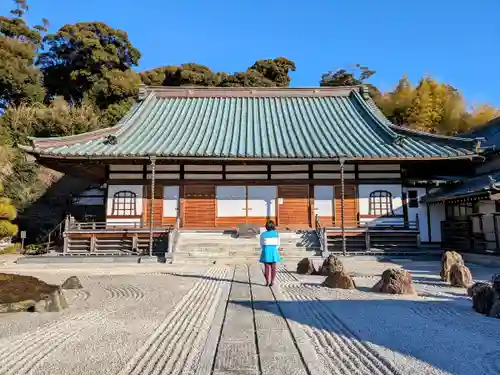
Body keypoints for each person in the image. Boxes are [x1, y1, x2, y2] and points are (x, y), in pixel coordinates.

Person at [259, 220, 281, 287]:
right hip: (274, 251)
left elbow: (261, 244)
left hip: (266, 251)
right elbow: (278, 244)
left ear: (266, 226)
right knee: (273, 267)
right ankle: (272, 281)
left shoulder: (263, 234)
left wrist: (265, 248)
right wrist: (274, 248)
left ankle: (267, 281)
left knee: (266, 267)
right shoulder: (276, 234)